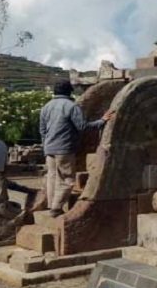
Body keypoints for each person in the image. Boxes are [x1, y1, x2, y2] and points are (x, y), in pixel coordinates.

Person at [40, 80, 114, 218]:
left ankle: (51, 205)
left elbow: (43, 130)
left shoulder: (46, 107)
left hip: (49, 148)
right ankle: (56, 208)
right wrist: (102, 121)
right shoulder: (71, 106)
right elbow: (83, 127)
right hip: (64, 148)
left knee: (52, 177)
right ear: (69, 92)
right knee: (67, 179)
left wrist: (46, 146)